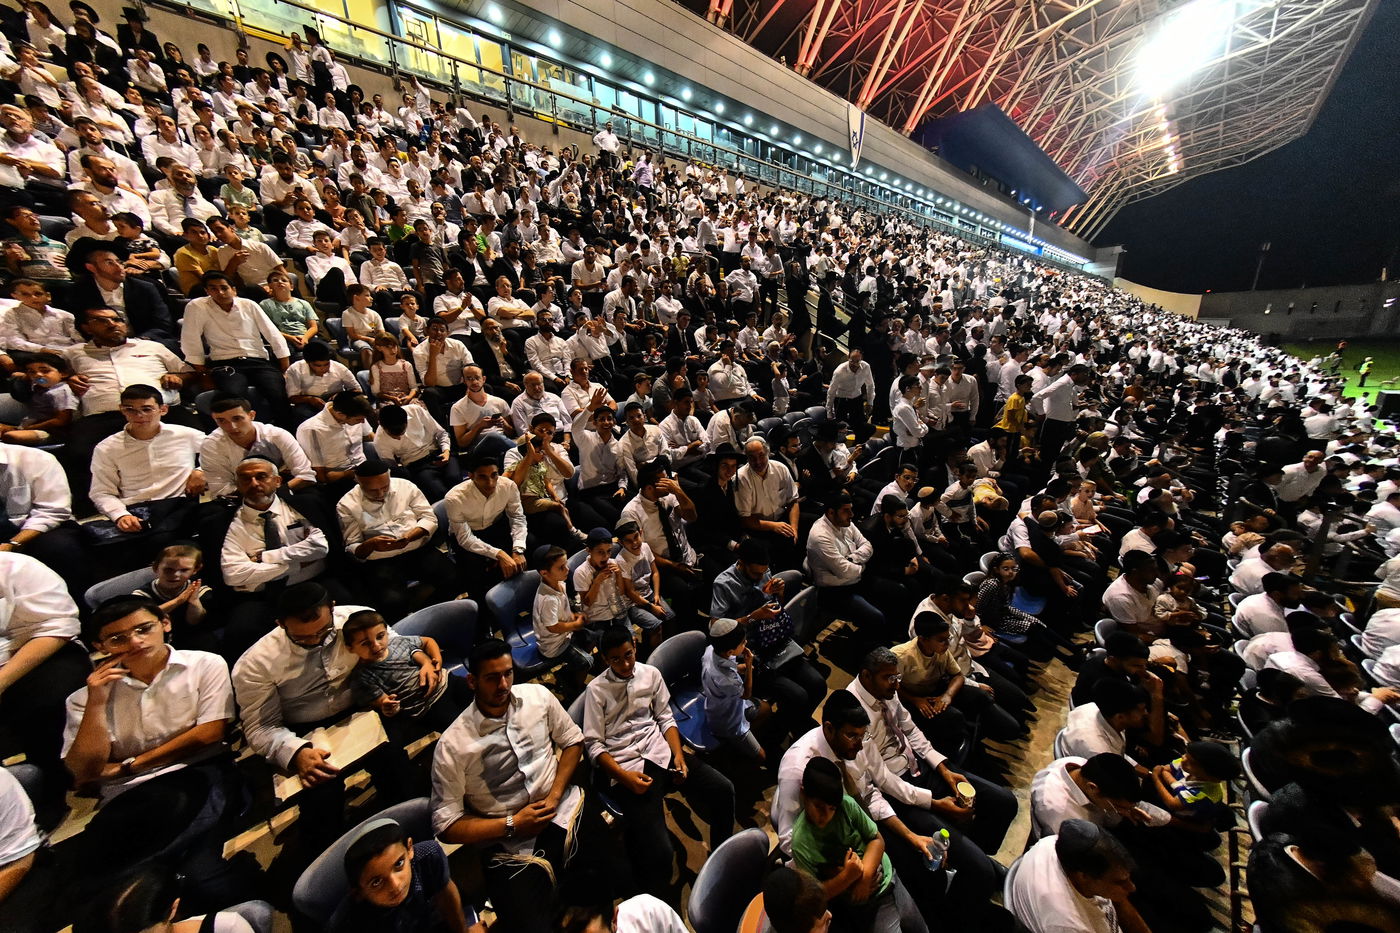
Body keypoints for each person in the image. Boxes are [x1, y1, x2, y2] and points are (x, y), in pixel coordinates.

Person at [232, 583, 412, 859]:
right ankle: (330, 862)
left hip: (362, 707)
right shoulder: (256, 663)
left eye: (324, 631)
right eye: (303, 638)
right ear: (281, 624)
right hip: (302, 729)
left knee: (397, 766)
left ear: (332, 609)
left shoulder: (357, 620)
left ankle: (402, 832)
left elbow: (395, 654)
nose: (317, 640)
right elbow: (260, 726)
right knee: (321, 797)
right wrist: (297, 753)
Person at [431, 638, 588, 933]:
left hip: (562, 810)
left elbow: (573, 741)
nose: (503, 684)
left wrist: (554, 795)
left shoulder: (538, 697)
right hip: (507, 842)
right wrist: (512, 823)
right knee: (530, 925)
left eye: (508, 673)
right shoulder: (453, 745)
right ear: (472, 682)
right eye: (492, 678)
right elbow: (447, 824)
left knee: (612, 879)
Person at [583, 627, 736, 897]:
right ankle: (651, 901)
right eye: (616, 659)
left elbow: (665, 717)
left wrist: (678, 754)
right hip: (627, 768)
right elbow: (594, 745)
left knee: (723, 790)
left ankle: (720, 862)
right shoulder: (596, 691)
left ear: (635, 648)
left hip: (660, 753)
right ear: (606, 660)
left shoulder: (650, 675)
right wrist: (623, 776)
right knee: (661, 854)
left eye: (628, 655)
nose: (625, 664)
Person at [791, 756, 928, 933]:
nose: (825, 815)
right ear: (803, 793)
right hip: (865, 905)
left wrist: (864, 876)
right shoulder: (801, 842)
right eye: (818, 806)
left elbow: (876, 839)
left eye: (831, 808)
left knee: (918, 927)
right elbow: (815, 896)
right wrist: (847, 877)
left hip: (889, 878)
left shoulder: (846, 805)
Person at [336, 460, 454, 620]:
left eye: (384, 487)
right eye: (372, 490)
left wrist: (413, 534)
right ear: (358, 482)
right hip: (381, 560)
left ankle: (424, 613)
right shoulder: (346, 505)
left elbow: (429, 518)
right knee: (392, 604)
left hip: (416, 548)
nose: (380, 494)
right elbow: (352, 547)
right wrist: (371, 544)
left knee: (454, 579)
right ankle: (405, 623)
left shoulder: (405, 486)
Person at [327, 816, 481, 933]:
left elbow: (447, 894)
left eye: (399, 864)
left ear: (409, 849)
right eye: (376, 882)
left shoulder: (428, 855)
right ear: (358, 893)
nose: (395, 885)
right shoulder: (348, 920)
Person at [343, 609, 470, 748]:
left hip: (448, 682)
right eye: (365, 643)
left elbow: (428, 642)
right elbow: (383, 702)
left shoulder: (398, 642)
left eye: (380, 636)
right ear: (350, 648)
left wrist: (436, 661)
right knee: (462, 732)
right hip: (427, 706)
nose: (376, 645)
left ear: (386, 631)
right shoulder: (361, 676)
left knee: (484, 697)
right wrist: (388, 706)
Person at [1006, 820, 1151, 933]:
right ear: (1083, 877)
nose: (1131, 887)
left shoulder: (1054, 843)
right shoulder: (1068, 925)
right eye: (1121, 882)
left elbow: (1119, 900)